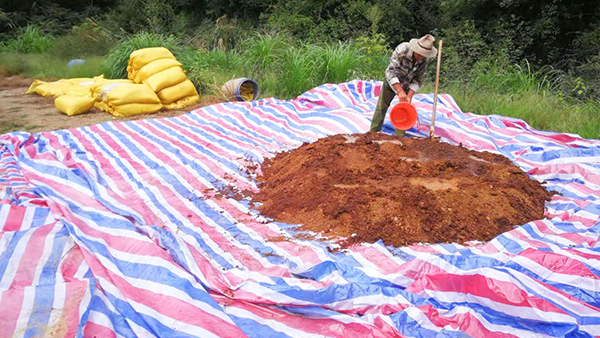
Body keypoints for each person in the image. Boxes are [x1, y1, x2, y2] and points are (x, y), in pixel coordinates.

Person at [370, 34, 438, 135]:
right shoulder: (403, 49)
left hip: (407, 85)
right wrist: (399, 90)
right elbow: (390, 71)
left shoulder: (423, 60)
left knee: (404, 110)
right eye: (419, 53)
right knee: (382, 106)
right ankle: (373, 132)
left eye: (423, 54)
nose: (421, 56)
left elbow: (418, 79)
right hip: (392, 82)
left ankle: (399, 138)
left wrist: (409, 96)